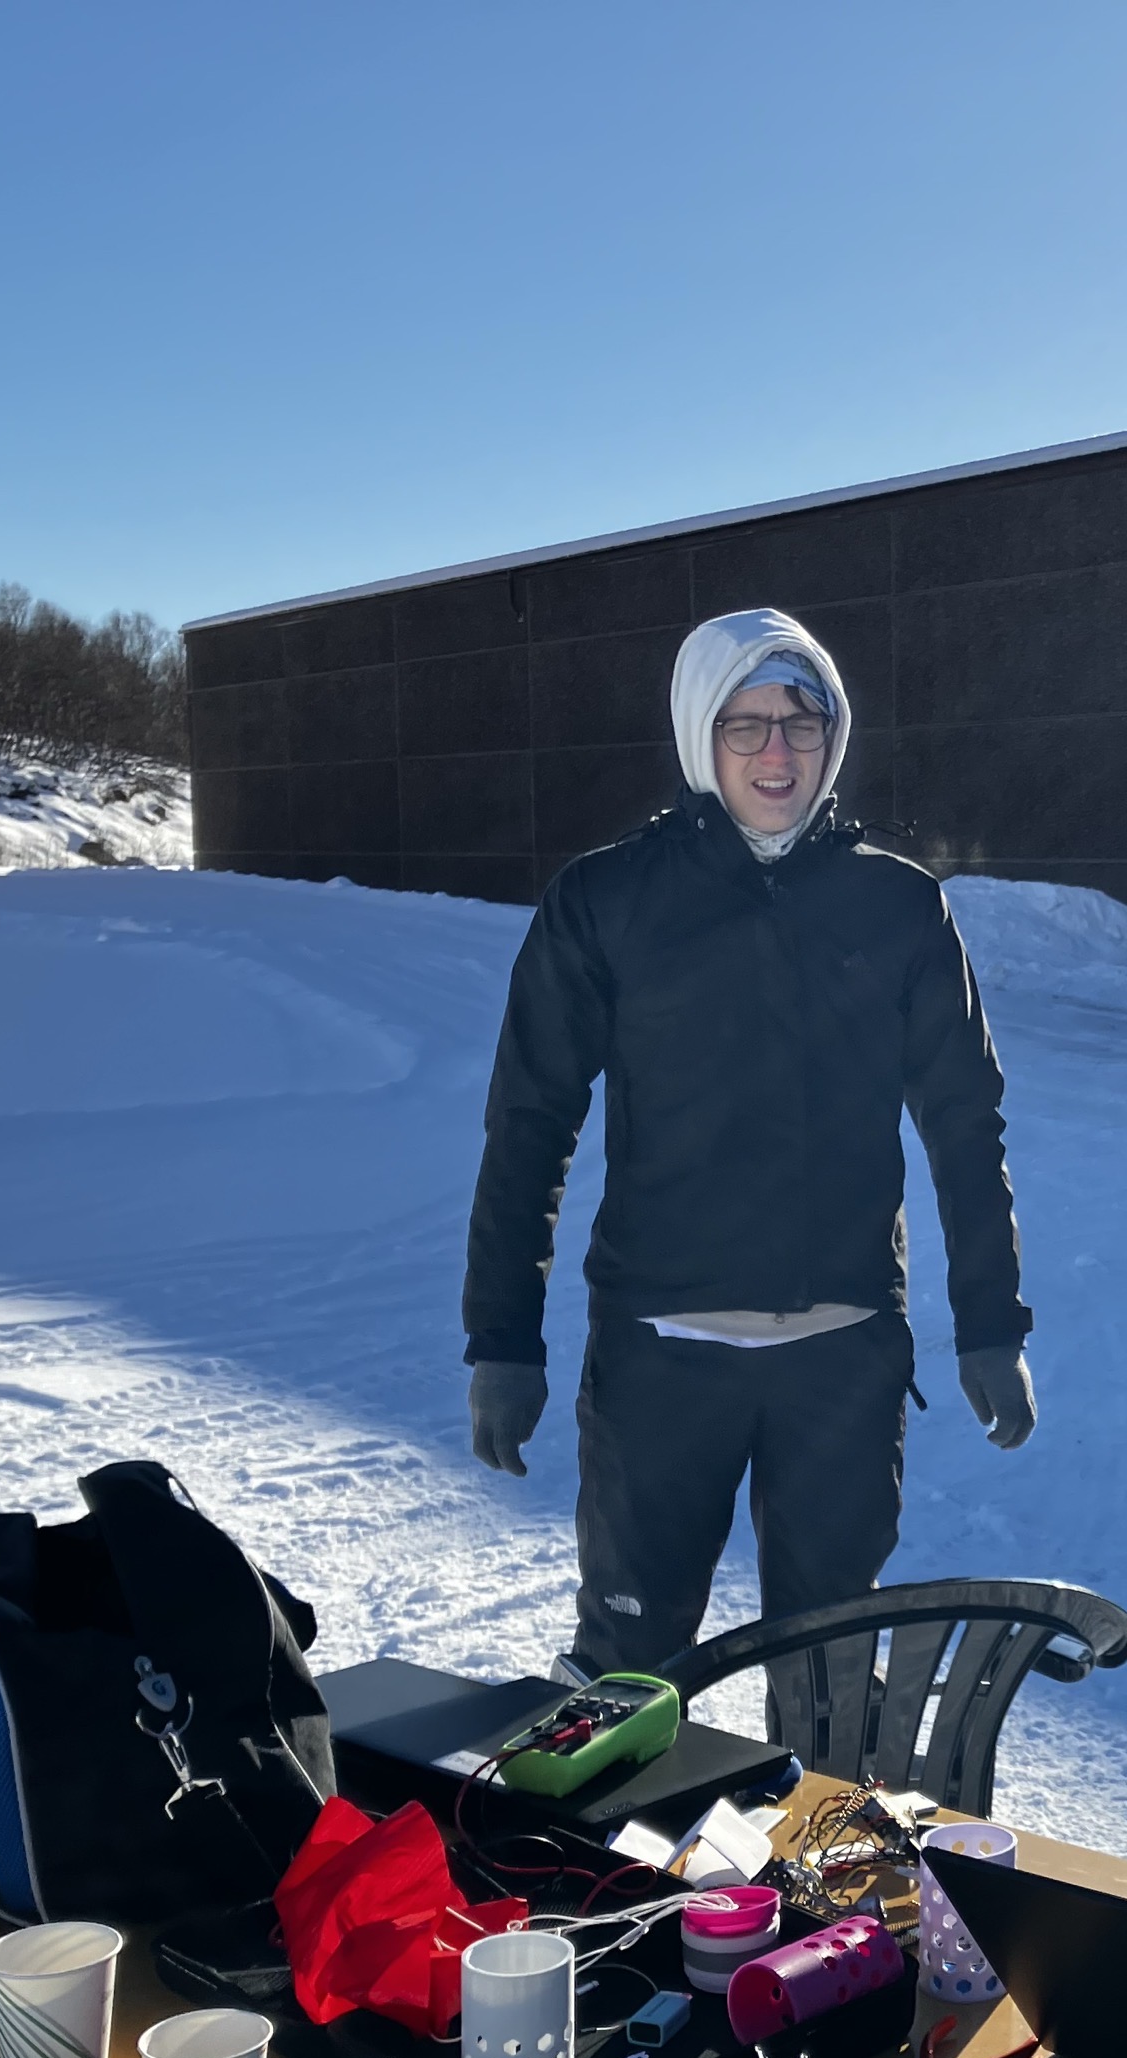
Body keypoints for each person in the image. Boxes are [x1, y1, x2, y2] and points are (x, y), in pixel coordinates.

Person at [460, 607, 1038, 1706]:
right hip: (660, 1362)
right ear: (698, 734)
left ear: (836, 734)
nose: (778, 753)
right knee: (625, 1689)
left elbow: (967, 1124)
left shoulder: (900, 905)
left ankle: (806, 1881)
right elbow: (531, 1121)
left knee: (827, 1692)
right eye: (746, 725)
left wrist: (993, 1324)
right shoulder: (608, 900)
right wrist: (503, 1337)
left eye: (802, 722)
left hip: (843, 1364)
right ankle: (607, 1885)